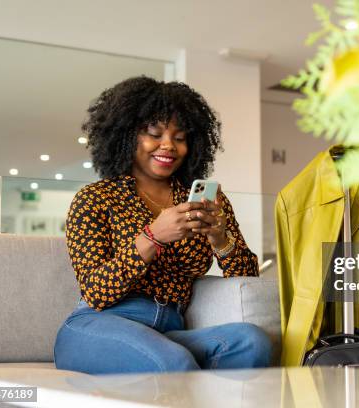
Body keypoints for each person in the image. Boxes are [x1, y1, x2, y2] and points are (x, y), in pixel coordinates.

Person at [54, 76, 272, 374]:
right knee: (174, 362)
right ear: (126, 136)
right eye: (154, 133)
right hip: (101, 325)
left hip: (168, 330)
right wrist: (153, 237)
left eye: (180, 138)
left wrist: (222, 241)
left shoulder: (199, 200)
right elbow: (96, 292)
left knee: (253, 342)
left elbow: (246, 278)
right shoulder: (95, 199)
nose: (168, 145)